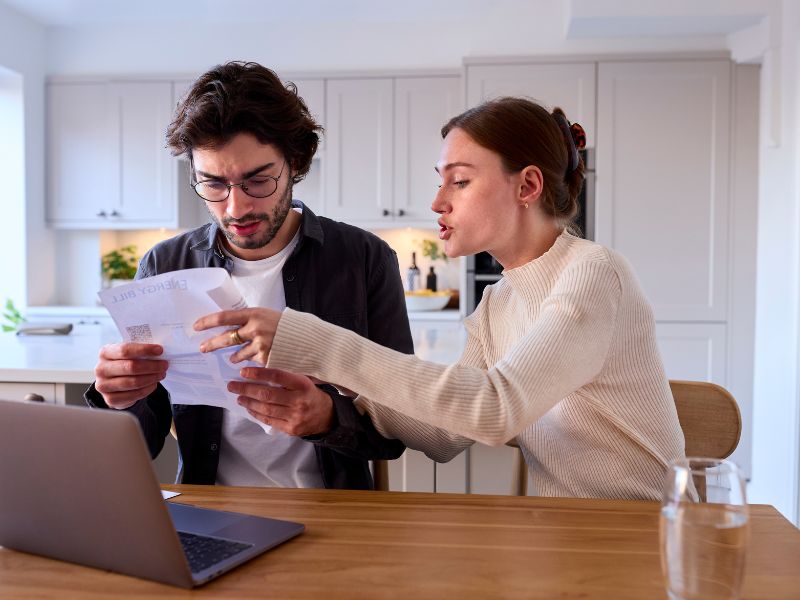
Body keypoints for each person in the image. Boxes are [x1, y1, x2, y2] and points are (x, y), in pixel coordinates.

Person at [193, 97, 687, 501]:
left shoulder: (594, 273)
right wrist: (334, 388)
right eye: (440, 179)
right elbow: (444, 436)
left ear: (528, 186)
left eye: (461, 180)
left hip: (648, 537)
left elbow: (495, 410)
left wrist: (317, 343)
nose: (437, 201)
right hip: (568, 539)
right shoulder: (500, 303)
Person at [86, 61, 412, 490]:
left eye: (258, 181)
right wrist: (119, 397)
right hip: (212, 507)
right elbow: (141, 444)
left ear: (295, 162)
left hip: (338, 514)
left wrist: (327, 418)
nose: (236, 209)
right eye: (213, 184)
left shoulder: (365, 259)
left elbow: (398, 432)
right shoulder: (165, 265)